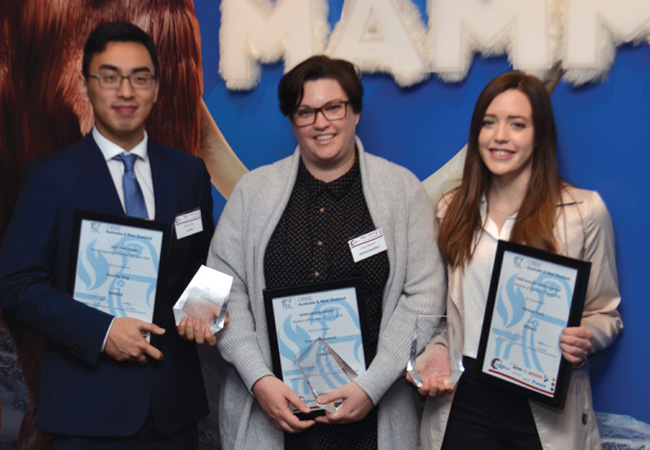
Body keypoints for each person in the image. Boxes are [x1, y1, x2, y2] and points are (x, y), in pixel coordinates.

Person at [207, 55, 446, 449]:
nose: (321, 122)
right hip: (274, 417)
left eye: (333, 107)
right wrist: (259, 380)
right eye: (305, 111)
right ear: (291, 119)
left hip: (372, 422)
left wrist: (371, 386)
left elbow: (424, 295)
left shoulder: (402, 192)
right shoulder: (253, 192)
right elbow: (224, 291)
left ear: (355, 111)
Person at [0, 22, 215, 448]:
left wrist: (207, 307)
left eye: (140, 78)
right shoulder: (51, 178)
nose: (126, 92)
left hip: (174, 410)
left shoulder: (187, 173)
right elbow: (15, 284)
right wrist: (102, 331)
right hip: (87, 411)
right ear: (86, 85)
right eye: (110, 77)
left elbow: (206, 264)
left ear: (156, 88)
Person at [409, 72, 623, 450]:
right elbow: (441, 314)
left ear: (539, 135)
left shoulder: (584, 212)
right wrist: (435, 351)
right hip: (464, 399)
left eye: (517, 124)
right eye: (489, 123)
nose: (500, 136)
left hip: (543, 400)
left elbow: (606, 313)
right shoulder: (450, 209)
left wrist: (586, 337)